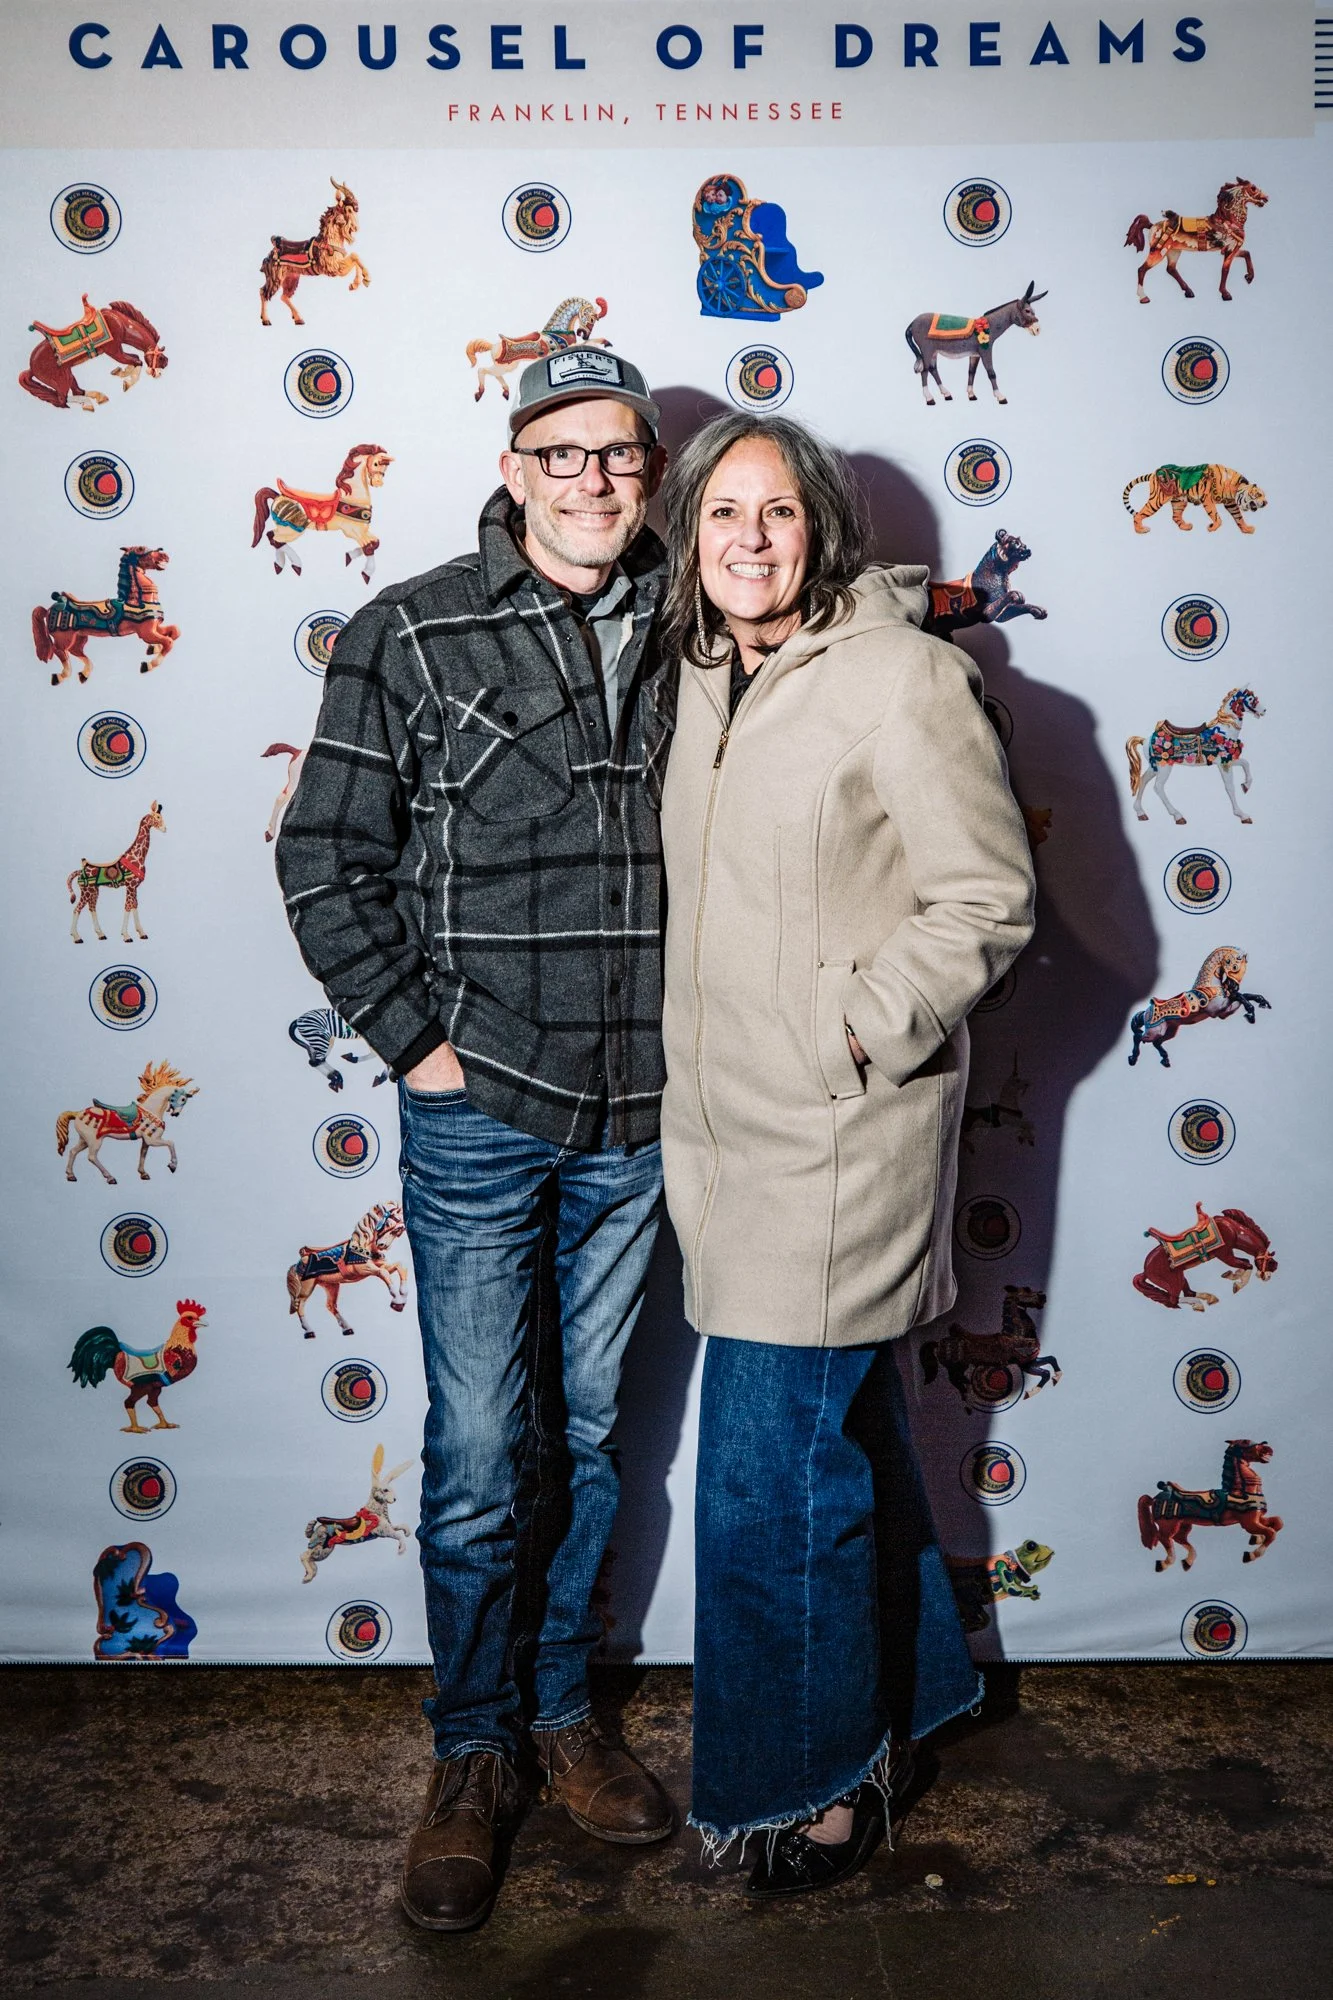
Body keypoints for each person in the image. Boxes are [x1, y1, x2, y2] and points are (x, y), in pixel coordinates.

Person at [275, 349, 678, 1934]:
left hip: (646, 1117)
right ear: (514, 468)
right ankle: (472, 1752)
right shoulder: (411, 629)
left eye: (620, 453)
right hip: (481, 1111)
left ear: (653, 471)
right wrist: (419, 1050)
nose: (591, 480)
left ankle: (563, 1718)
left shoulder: (702, 625)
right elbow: (324, 856)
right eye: (559, 452)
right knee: (475, 1455)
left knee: (584, 1437)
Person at [657, 412, 1036, 1896]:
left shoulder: (902, 679)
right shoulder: (699, 673)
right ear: (688, 536)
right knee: (847, 1437)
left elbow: (986, 899)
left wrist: (851, 1031)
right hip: (717, 1130)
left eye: (779, 514)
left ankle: (811, 1778)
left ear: (822, 528)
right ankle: (920, 1698)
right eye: (722, 513)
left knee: (763, 1478)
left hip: (833, 1131)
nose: (750, 540)